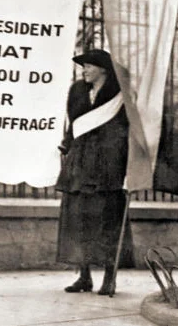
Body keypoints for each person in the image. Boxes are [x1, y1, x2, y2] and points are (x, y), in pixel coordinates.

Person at [56, 48, 132, 296]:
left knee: (107, 220)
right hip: (80, 164)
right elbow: (74, 123)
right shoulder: (77, 91)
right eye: (83, 67)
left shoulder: (120, 93)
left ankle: (110, 277)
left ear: (103, 69)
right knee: (78, 220)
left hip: (108, 165)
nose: (84, 70)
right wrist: (67, 145)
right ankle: (84, 276)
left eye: (89, 66)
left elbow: (128, 128)